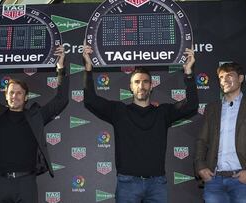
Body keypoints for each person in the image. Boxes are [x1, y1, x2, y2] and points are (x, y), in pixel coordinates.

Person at [82, 44, 198, 202]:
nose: (141, 86)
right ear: (130, 87)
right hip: (127, 183)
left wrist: (189, 73)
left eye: (145, 82)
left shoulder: (163, 112)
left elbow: (192, 105)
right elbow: (90, 100)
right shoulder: (119, 111)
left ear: (151, 86)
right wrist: (88, 68)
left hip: (157, 183)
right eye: (136, 82)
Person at [0, 45, 69, 203]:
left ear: (26, 97)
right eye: (11, 92)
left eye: (19, 93)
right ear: (6, 96)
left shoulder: (35, 116)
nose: (14, 96)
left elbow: (61, 100)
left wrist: (61, 68)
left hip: (26, 184)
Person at [194, 62, 246, 203]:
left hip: (243, 181)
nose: (224, 80)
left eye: (229, 75)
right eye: (221, 77)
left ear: (241, 78)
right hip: (214, 181)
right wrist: (200, 166)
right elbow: (202, 141)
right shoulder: (212, 108)